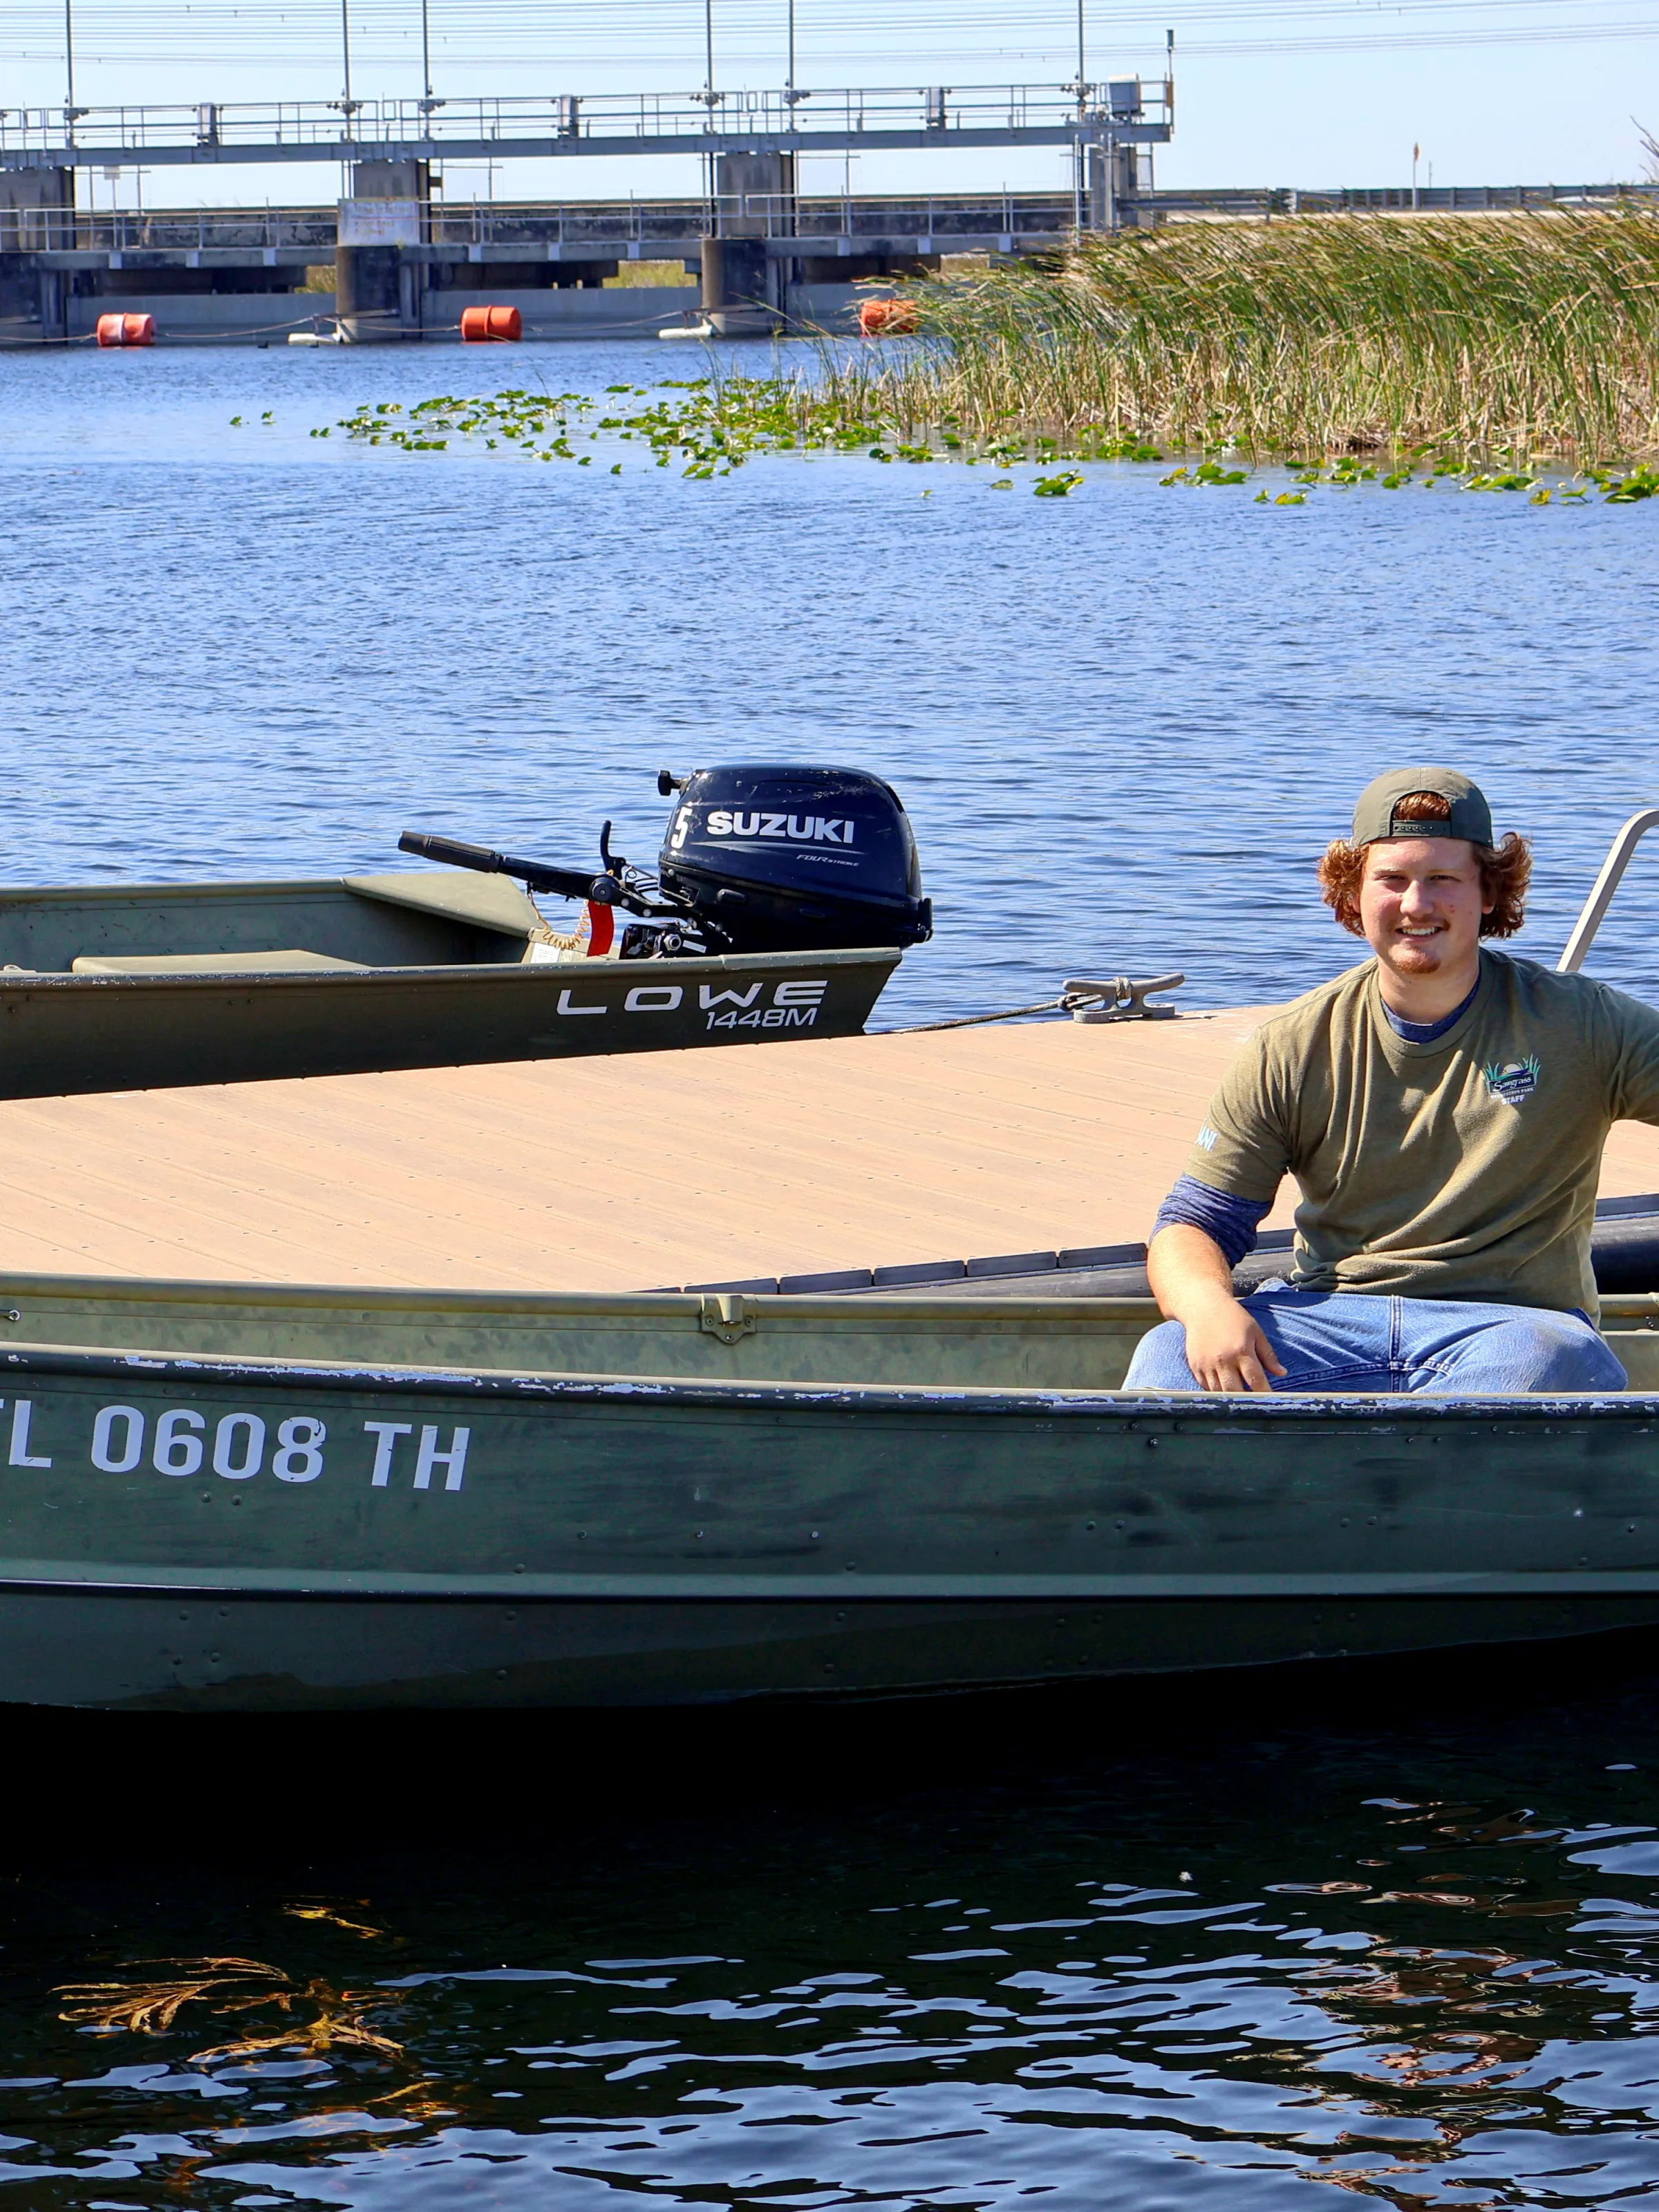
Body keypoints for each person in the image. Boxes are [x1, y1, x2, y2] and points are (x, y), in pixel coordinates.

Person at [1124, 765, 1659, 1395]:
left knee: (1539, 1363)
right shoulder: (1291, 1043)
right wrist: (1209, 1310)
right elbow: (1195, 1222)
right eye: (1392, 879)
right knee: (1167, 1357)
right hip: (1327, 1320)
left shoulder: (1582, 1023)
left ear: (1489, 891)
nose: (1416, 904)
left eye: (1443, 879)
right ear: (1354, 893)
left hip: (1515, 1325)